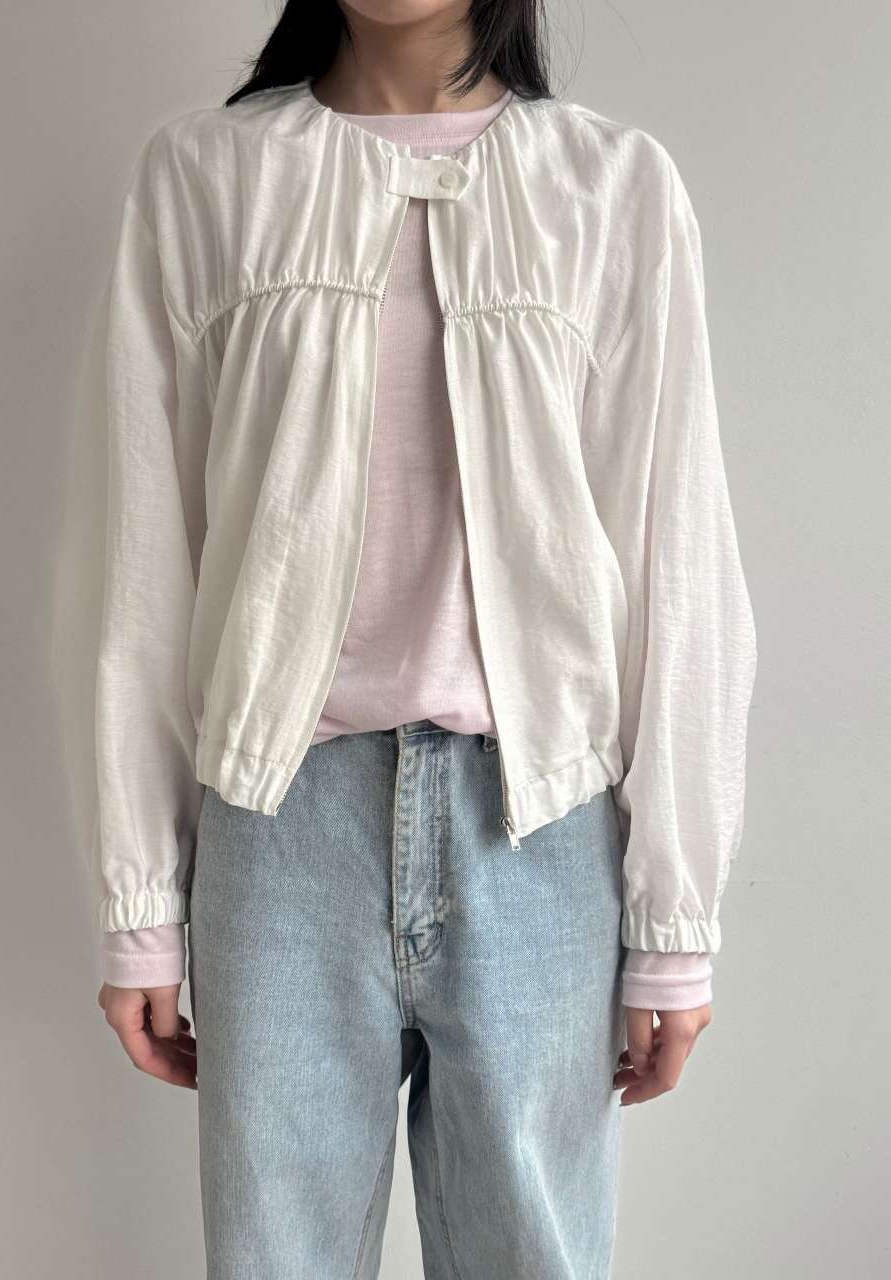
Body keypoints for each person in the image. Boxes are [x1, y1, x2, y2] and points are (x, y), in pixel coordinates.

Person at [90, 1, 758, 1276]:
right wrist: (140, 901)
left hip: (539, 832)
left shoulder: (611, 186)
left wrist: (675, 919)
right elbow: (139, 555)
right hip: (279, 837)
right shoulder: (206, 175)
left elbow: (677, 552)